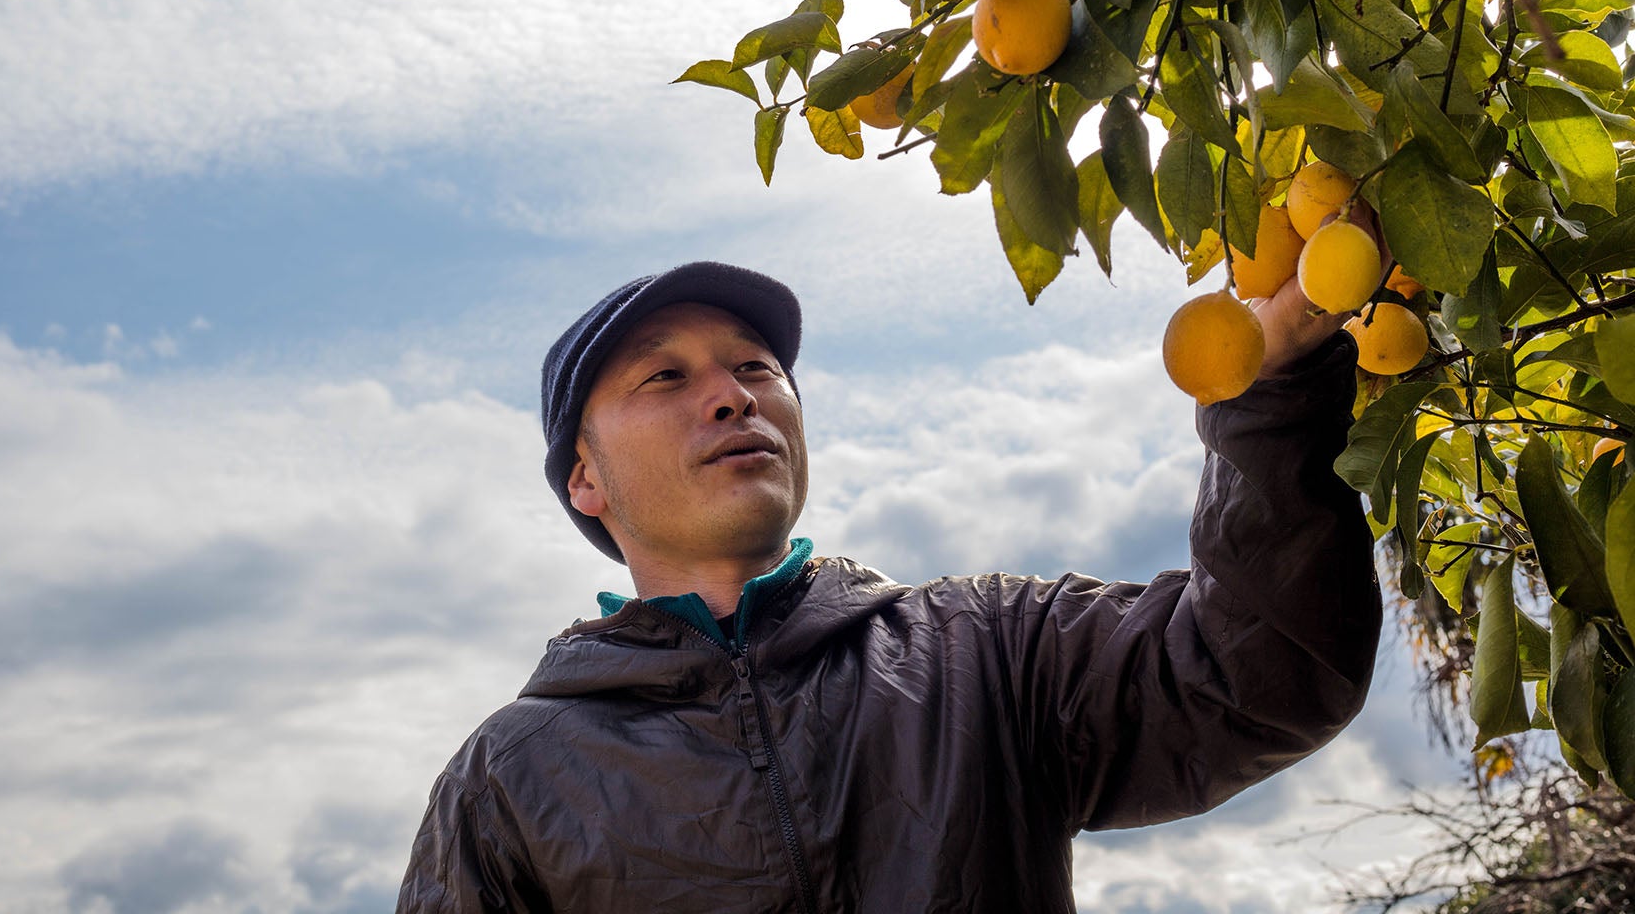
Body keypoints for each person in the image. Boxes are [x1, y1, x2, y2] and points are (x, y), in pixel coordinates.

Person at [396, 258, 1383, 913]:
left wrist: (1274, 385)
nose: (735, 392)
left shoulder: (984, 649)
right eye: (664, 378)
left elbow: (1257, 676)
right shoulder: (509, 782)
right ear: (584, 479)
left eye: (755, 366)